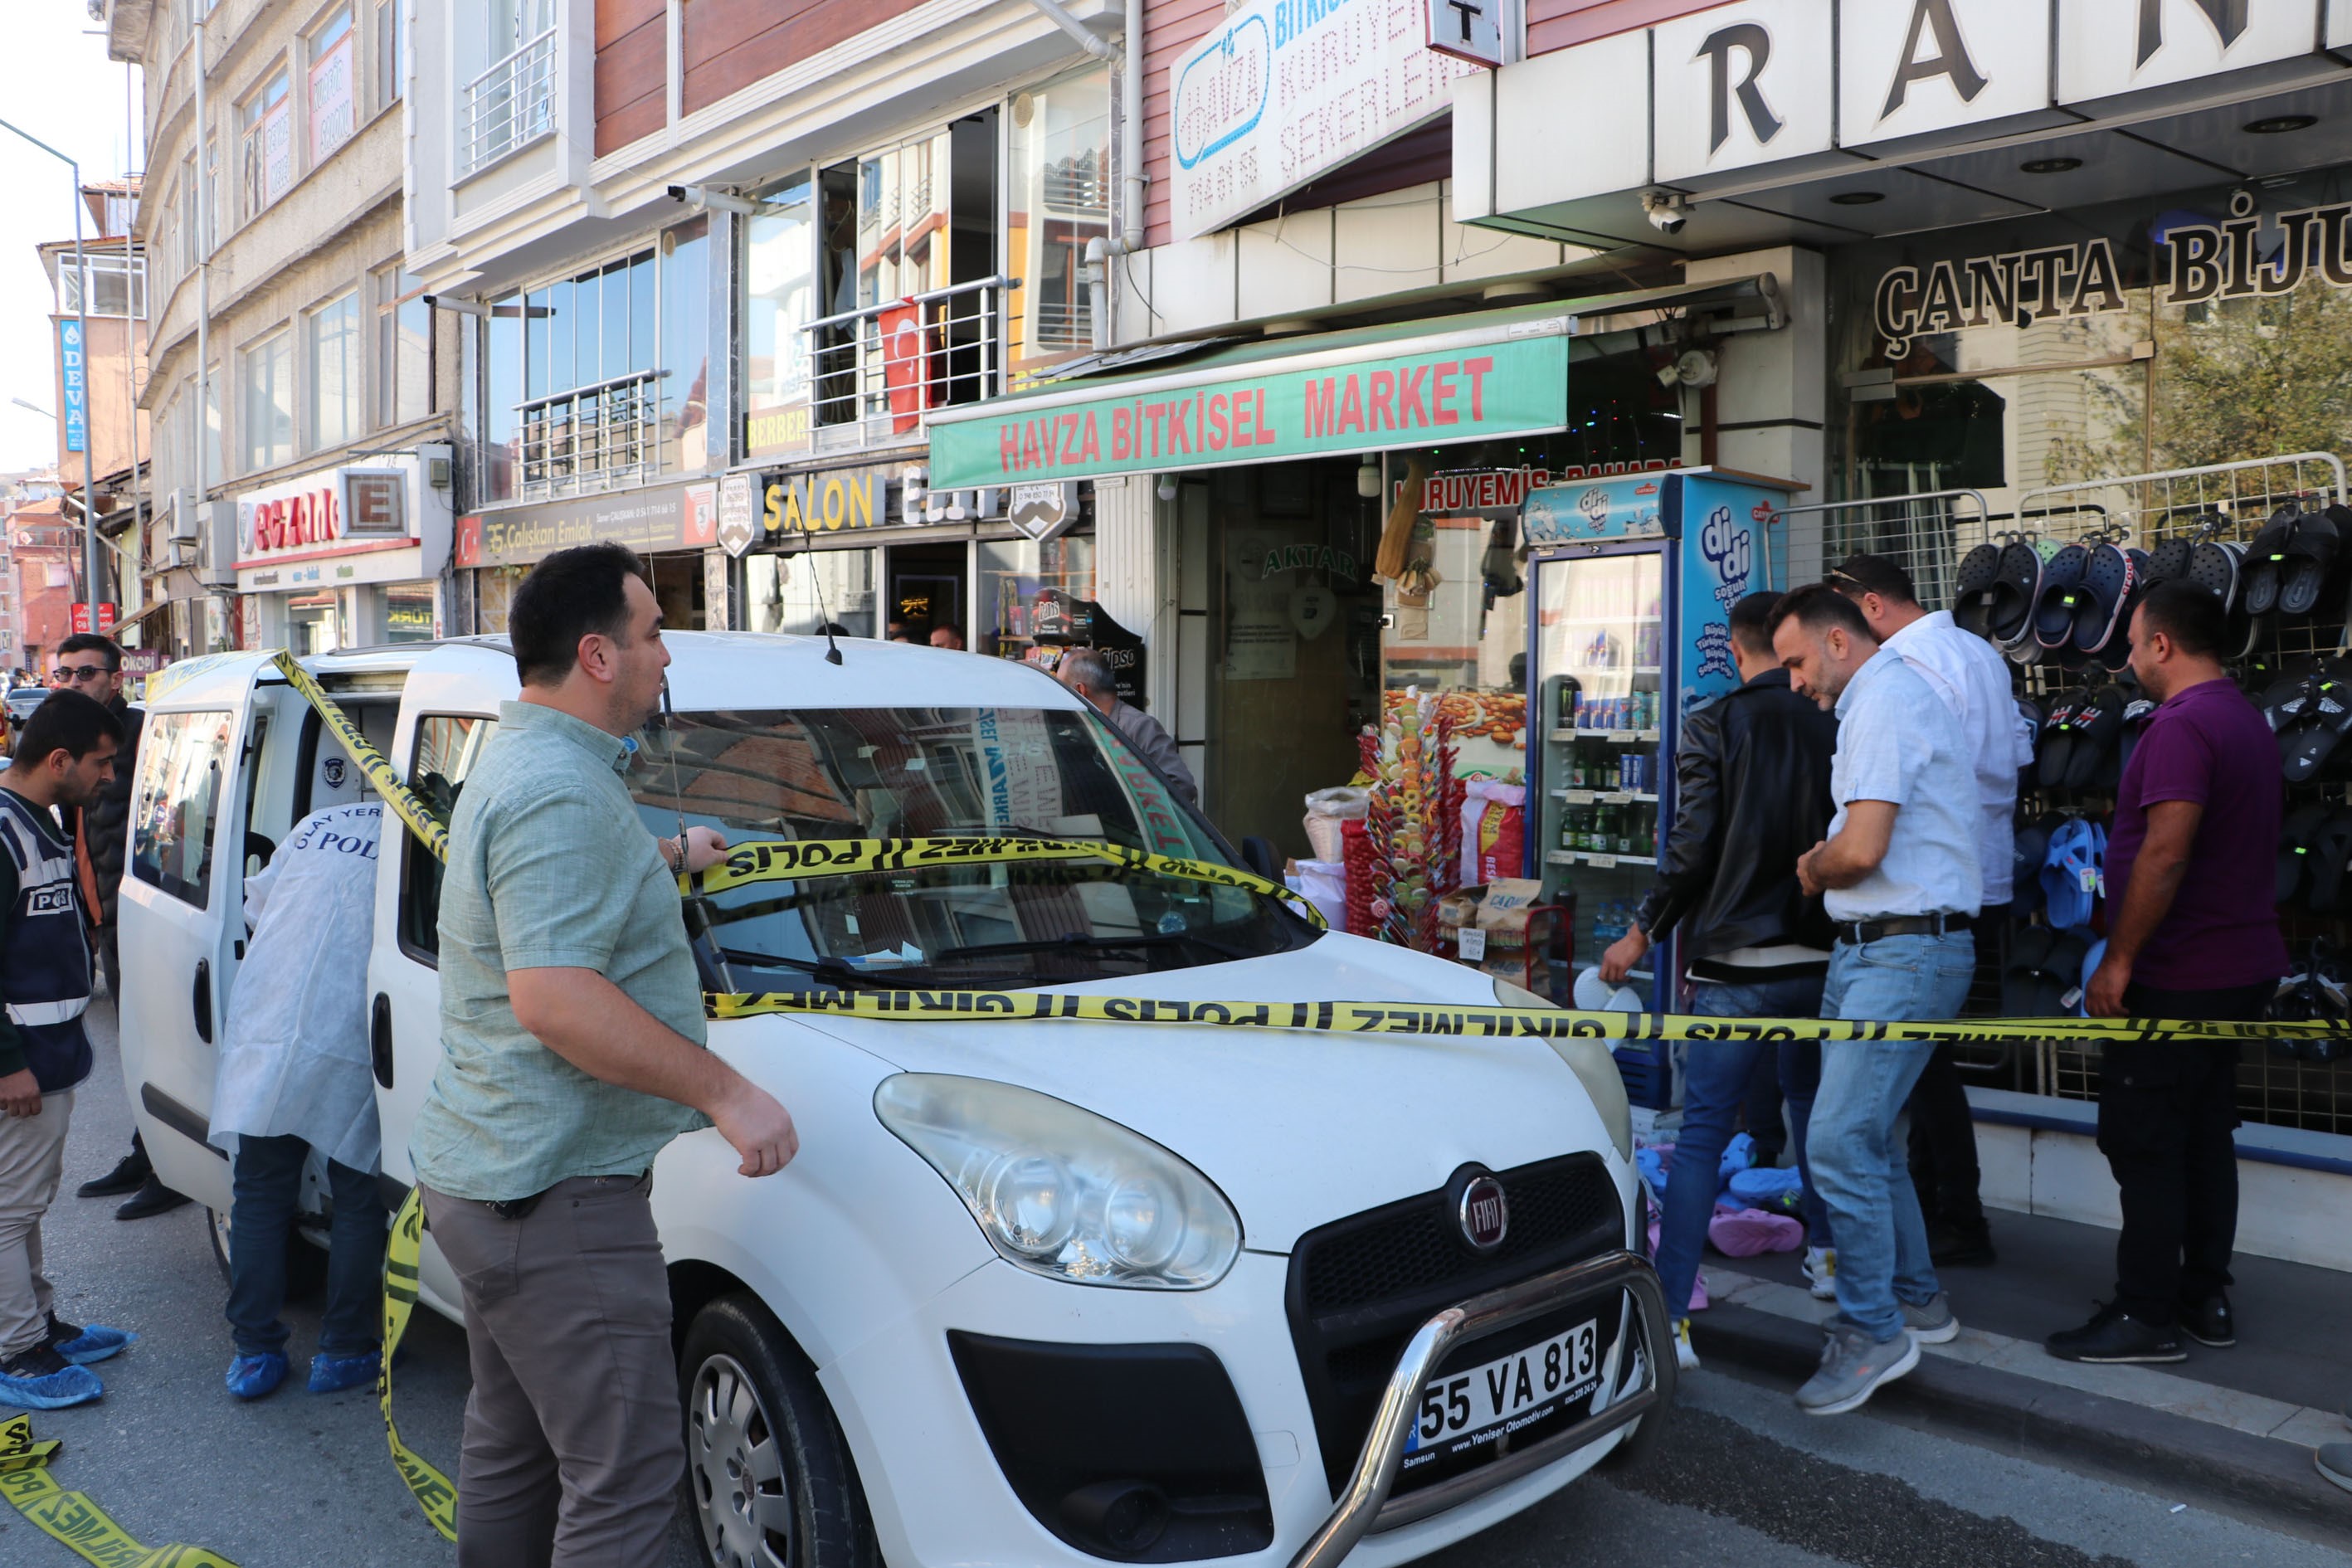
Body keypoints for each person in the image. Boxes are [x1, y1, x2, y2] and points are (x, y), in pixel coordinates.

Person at [410, 543, 800, 1565]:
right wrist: (727, 1092)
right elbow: (557, 998)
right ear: (597, 655)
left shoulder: (541, 769)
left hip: (498, 1188)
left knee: (516, 1448)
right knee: (625, 1480)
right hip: (556, 1201)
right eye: (652, 634)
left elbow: (554, 888)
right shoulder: (561, 794)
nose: (666, 656)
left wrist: (667, 854)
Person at [1599, 591, 1839, 1370]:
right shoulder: (1837, 715)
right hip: (1820, 953)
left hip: (1734, 962)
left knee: (1702, 1133)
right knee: (1814, 1118)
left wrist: (1643, 931)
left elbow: (1691, 848)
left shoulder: (1715, 720)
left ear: (1740, 651)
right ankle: (1829, 1263)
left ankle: (1670, 1321)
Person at [2049, 582, 2286, 1365]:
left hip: (2180, 972)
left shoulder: (2183, 726)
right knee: (2202, 1134)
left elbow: (2166, 849)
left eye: (2132, 642)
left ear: (2162, 645)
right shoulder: (2245, 718)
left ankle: (2146, 1313)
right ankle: (2201, 1297)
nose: (2125, 658)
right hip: (2236, 965)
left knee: (2145, 1138)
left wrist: (2117, 959)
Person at [1771, 583, 1980, 1416]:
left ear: (1838, 640)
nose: (1793, 682)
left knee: (1836, 1142)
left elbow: (1860, 849)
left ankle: (1873, 1330)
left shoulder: (1882, 698)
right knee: (1877, 1144)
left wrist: (1814, 865)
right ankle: (1917, 1300)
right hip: (1887, 951)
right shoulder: (1892, 692)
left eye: (1795, 662)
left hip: (1900, 952)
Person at [1829, 555, 2029, 1268]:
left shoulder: (1901, 672)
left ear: (1871, 607)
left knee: (1922, 1071)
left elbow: (1904, 795)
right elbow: (2016, 752)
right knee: (1923, 1064)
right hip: (1982, 877)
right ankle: (1937, 1218)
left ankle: (1952, 1216)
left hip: (1928, 889)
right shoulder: (1978, 652)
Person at [212, 801, 390, 1400]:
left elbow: (255, 907)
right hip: (351, 1031)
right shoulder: (425, 833)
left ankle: (253, 1352)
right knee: (359, 1193)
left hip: (270, 1019)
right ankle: (343, 1349)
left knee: (260, 1192)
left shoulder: (322, 822)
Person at [0, 690, 134, 1410]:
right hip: (23, 1063)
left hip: (46, 1054)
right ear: (59, 761)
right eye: (101, 764)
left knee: (23, 1203)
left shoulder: (35, 820)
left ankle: (37, 1322)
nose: (109, 777)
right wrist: (7, 1064)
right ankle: (18, 1351)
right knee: (9, 1210)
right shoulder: (4, 832)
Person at [54, 635, 182, 1224]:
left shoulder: (142, 734)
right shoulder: (68, 746)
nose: (75, 682)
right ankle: (145, 1150)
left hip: (143, 917)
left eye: (86, 672)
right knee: (134, 1049)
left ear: (115, 676)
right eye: (65, 673)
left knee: (160, 1045)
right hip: (102, 918)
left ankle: (169, 1167)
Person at [1056, 646, 1200, 806]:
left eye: (1064, 690)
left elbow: (1182, 787)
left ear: (1080, 690)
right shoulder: (1083, 730)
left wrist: (1131, 809)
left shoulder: (1139, 727)